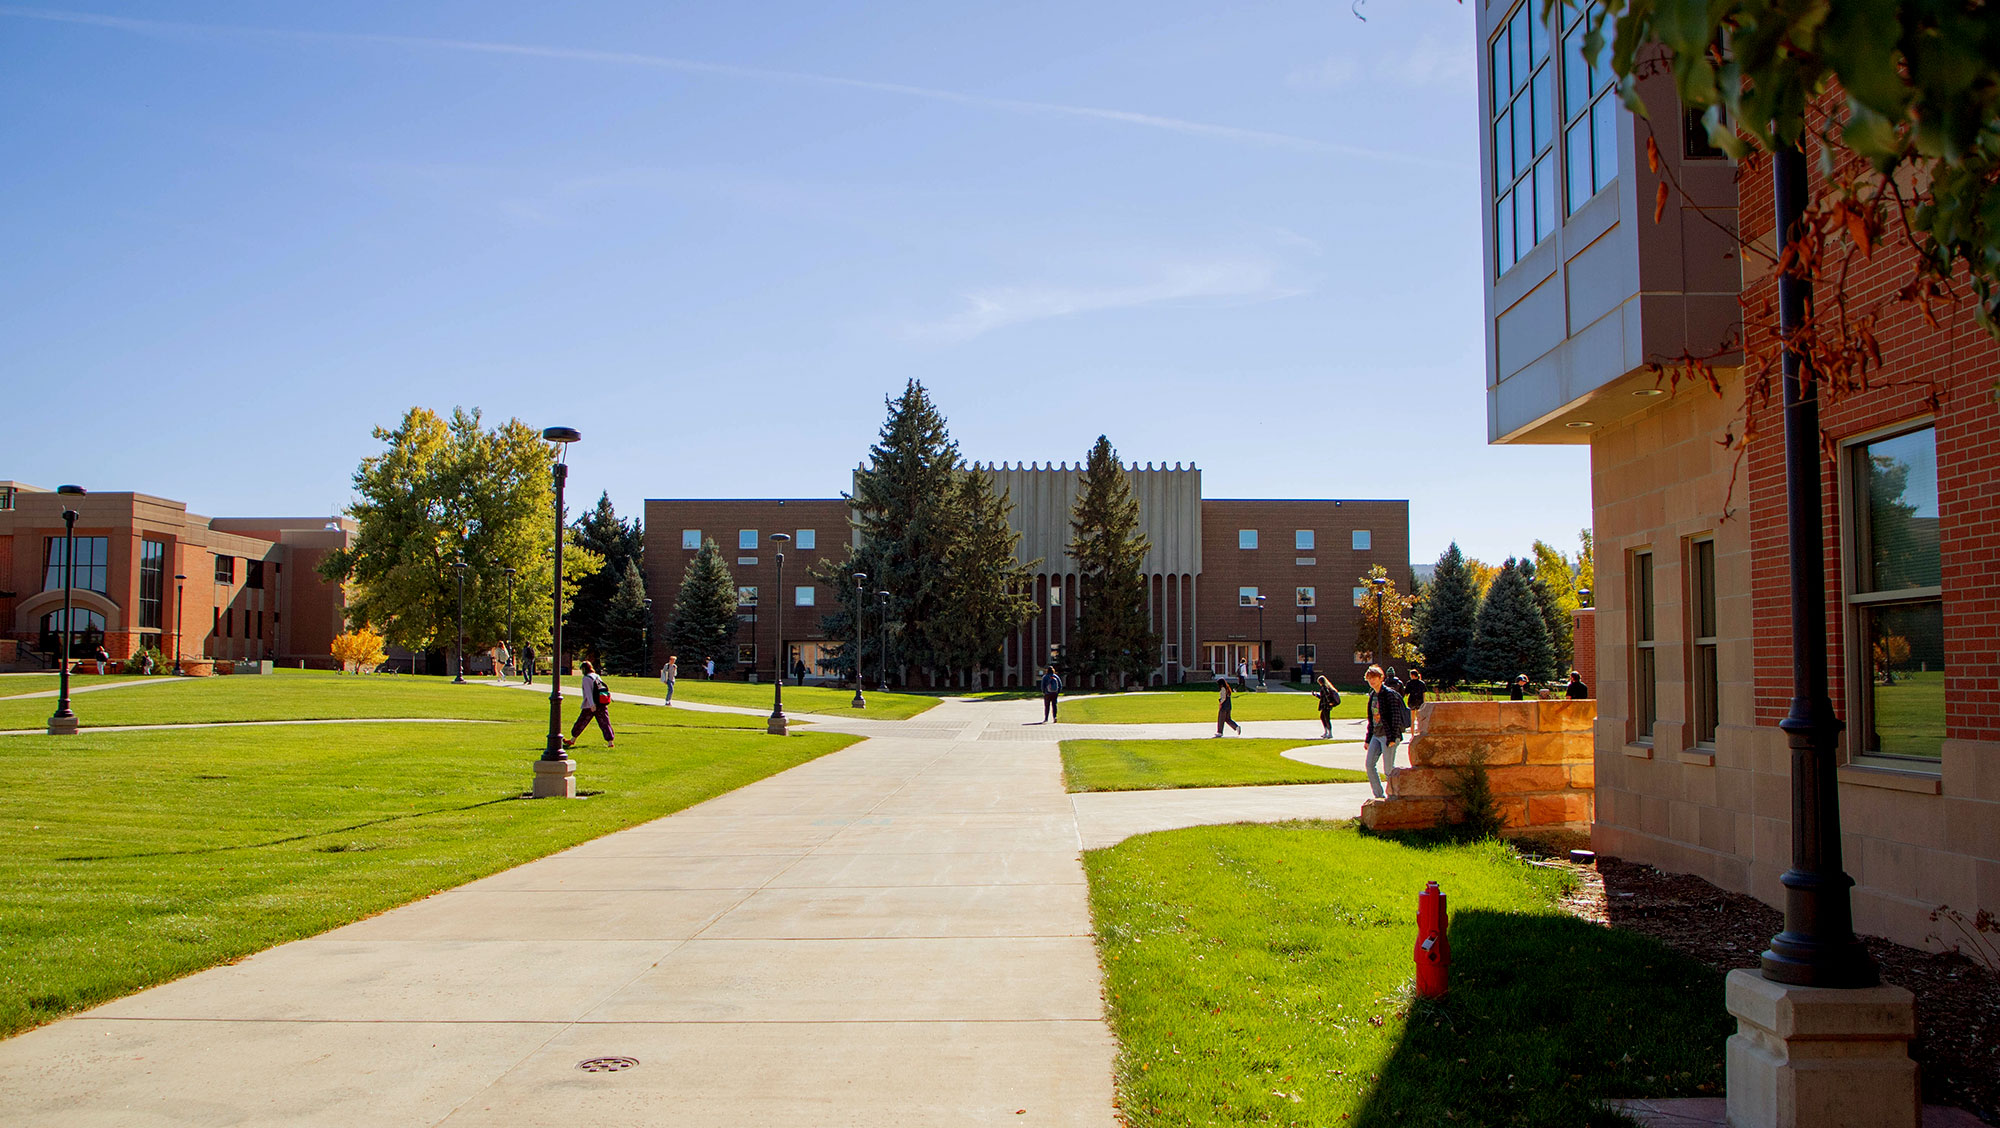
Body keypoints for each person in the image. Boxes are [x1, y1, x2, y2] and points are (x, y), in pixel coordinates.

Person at [1363, 664, 1409, 799]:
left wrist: (1392, 738)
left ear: (1381, 678)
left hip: (1388, 735)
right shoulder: (1373, 695)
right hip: (1376, 735)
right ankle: (1379, 795)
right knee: (1369, 765)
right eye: (1369, 678)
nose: (1372, 681)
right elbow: (1371, 720)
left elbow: (1395, 717)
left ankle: (1394, 795)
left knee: (1389, 769)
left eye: (1374, 678)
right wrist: (1368, 739)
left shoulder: (1389, 694)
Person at [564, 659, 614, 750]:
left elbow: (588, 693)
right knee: (605, 722)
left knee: (581, 722)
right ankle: (610, 742)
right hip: (601, 703)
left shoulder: (586, 678)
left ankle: (573, 739)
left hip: (590, 705)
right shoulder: (596, 676)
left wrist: (592, 704)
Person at [1314, 674, 1342, 740]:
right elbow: (1322, 697)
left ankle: (1329, 733)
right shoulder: (1326, 687)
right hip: (1326, 705)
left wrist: (1329, 702)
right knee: (1323, 717)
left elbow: (1326, 696)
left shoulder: (1323, 687)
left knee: (1326, 718)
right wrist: (1316, 695)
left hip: (1325, 705)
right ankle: (1326, 731)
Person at [1403, 669, 1428, 735]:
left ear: (1412, 675)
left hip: (1412, 701)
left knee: (1412, 719)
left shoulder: (1409, 683)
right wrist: (1424, 702)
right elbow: (1424, 694)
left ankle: (1412, 734)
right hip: (1420, 701)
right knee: (1419, 718)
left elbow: (1406, 693)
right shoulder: (1421, 683)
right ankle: (1419, 732)